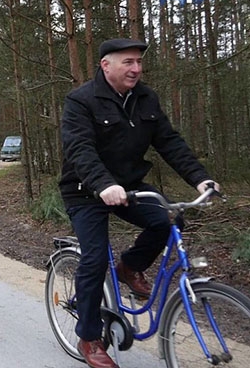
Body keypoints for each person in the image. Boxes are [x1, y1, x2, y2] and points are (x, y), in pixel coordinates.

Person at [60, 38, 219, 368]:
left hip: (130, 187)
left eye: (138, 62)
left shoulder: (146, 98)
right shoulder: (81, 100)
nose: (136, 68)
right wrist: (103, 185)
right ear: (106, 65)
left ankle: (130, 266)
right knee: (93, 259)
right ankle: (89, 337)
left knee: (167, 221)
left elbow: (169, 142)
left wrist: (199, 178)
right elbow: (79, 150)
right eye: (128, 62)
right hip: (85, 191)